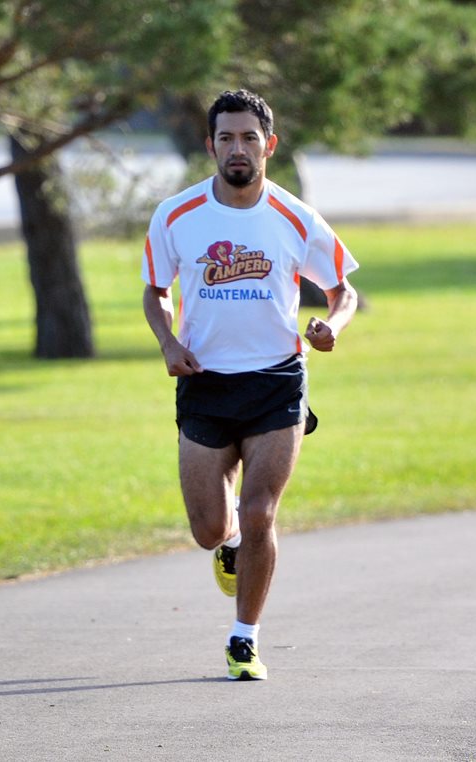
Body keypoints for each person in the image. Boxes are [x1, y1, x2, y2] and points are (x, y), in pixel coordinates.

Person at [141, 89, 358, 681]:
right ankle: (228, 541)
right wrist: (168, 342)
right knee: (210, 528)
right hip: (205, 382)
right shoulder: (175, 216)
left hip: (276, 382)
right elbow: (155, 290)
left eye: (250, 138)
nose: (239, 149)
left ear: (270, 145)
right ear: (210, 145)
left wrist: (331, 326)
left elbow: (343, 289)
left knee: (261, 511)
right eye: (227, 138)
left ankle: (245, 640)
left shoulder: (295, 217)